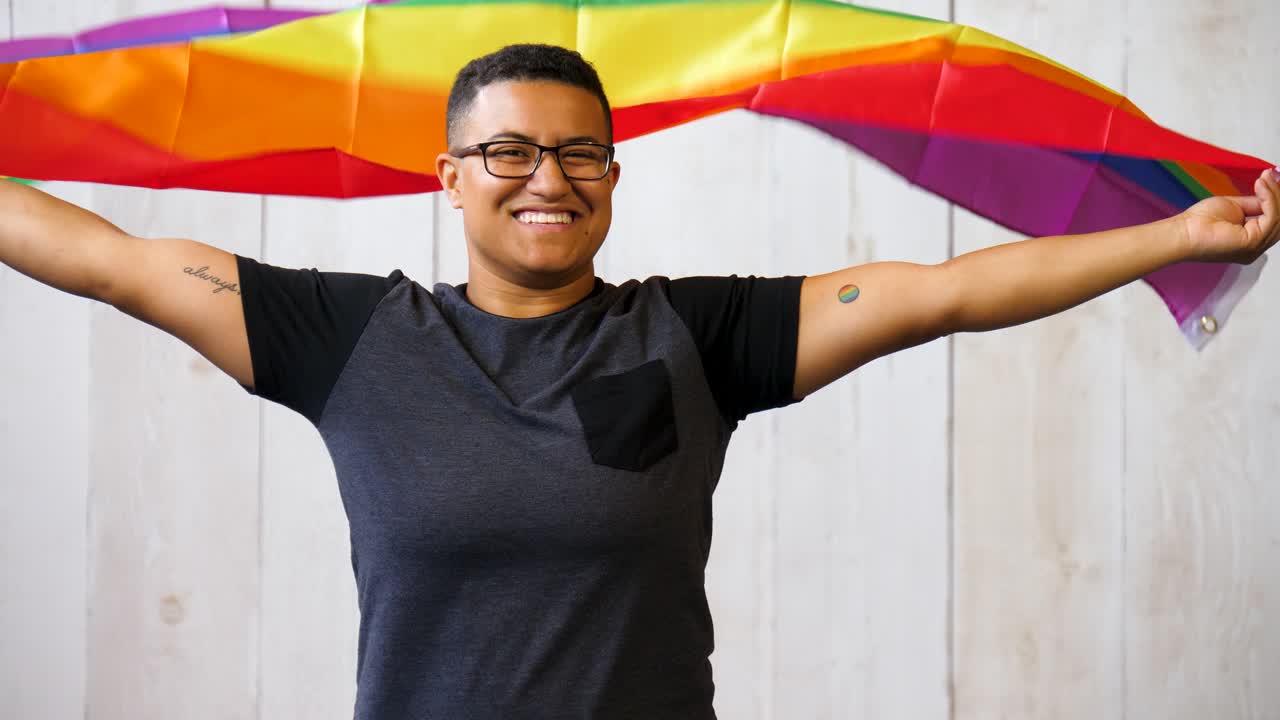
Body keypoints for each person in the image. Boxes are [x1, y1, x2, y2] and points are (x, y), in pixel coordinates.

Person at [2, 42, 1277, 719]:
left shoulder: (697, 339)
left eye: (578, 152)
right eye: (503, 149)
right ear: (445, 177)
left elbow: (936, 293)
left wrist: (1170, 236)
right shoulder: (340, 337)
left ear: (614, 176)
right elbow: (107, 262)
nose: (544, 176)